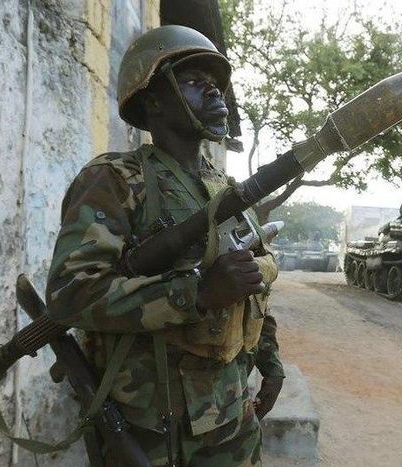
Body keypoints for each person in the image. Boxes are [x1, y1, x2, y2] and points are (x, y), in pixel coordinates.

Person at [45, 25, 284, 466]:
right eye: (194, 82)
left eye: (216, 84)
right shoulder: (115, 180)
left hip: (232, 417)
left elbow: (252, 288)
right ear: (152, 100)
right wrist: (198, 293)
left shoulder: (222, 187)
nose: (214, 91)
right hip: (154, 431)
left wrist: (270, 360)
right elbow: (70, 297)